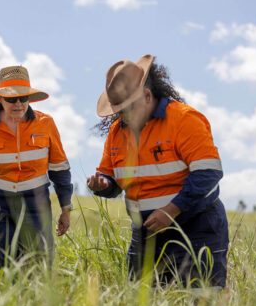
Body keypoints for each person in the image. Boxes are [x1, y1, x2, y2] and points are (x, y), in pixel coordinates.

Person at [86, 55, 229, 288]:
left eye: (128, 108)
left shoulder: (184, 119)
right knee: (141, 303)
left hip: (197, 230)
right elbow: (112, 178)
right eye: (118, 111)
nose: (122, 116)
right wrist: (103, 184)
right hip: (145, 235)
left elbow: (208, 173)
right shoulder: (116, 132)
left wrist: (171, 211)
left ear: (147, 96)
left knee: (200, 302)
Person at [0, 65, 73, 270]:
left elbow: (60, 170)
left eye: (23, 98)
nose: (19, 104)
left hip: (36, 203)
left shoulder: (46, 124)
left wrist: (65, 209)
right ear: (0, 99)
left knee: (38, 265)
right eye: (12, 99)